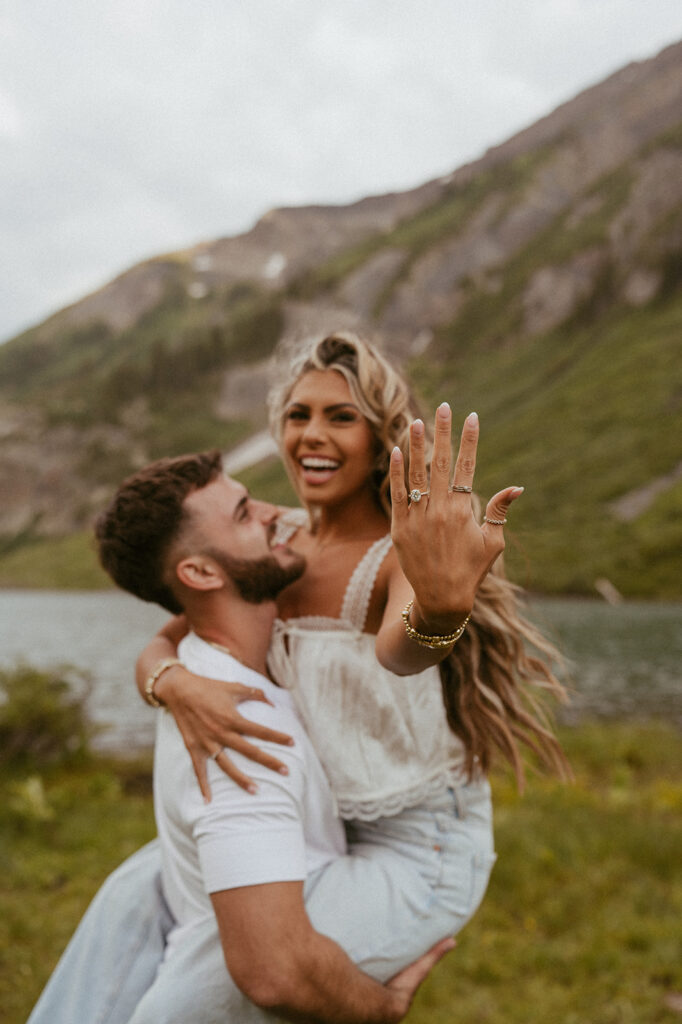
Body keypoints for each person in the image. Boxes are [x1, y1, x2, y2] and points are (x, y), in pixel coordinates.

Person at [29, 332, 568, 1023]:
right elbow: (172, 632)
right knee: (120, 910)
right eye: (297, 415)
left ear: (380, 436)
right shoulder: (272, 539)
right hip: (313, 829)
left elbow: (402, 651)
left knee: (202, 985)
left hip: (418, 849)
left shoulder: (395, 556)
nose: (313, 434)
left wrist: (440, 607)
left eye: (341, 416)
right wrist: (171, 682)